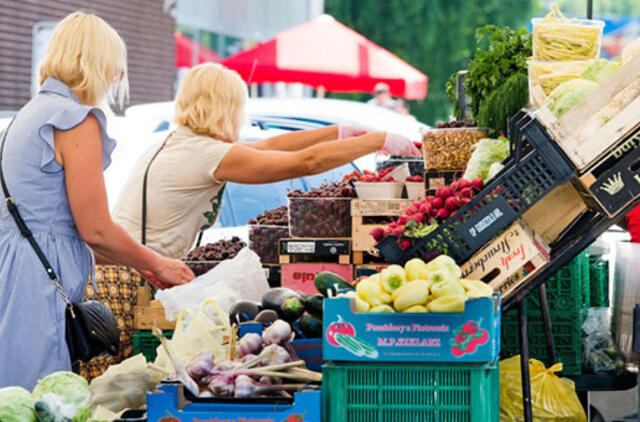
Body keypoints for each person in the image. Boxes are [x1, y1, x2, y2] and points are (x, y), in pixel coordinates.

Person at [0, 12, 194, 389]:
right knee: (43, 400)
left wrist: (139, 262)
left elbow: (53, 225)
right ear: (96, 63)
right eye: (114, 67)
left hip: (10, 273)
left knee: (14, 398)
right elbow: (96, 229)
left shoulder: (25, 117)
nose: (116, 77)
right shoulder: (75, 120)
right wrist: (159, 264)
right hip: (39, 286)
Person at [113, 63, 419, 259]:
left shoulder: (183, 143)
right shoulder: (206, 153)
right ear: (225, 109)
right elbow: (305, 164)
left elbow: (266, 146)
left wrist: (338, 133)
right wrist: (377, 140)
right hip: (135, 278)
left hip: (127, 267)